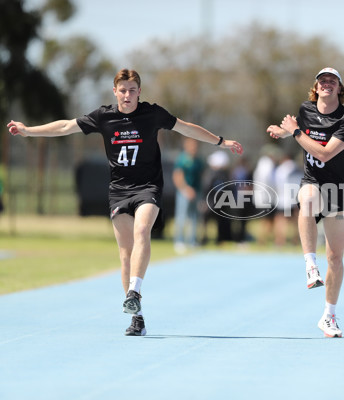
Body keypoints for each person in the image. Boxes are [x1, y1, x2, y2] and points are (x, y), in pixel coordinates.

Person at [7, 68, 243, 336]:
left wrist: (220, 141)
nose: (127, 95)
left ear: (139, 92)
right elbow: (65, 126)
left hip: (148, 187)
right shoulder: (104, 116)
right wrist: (28, 131)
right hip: (119, 190)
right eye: (123, 90)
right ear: (114, 91)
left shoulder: (152, 114)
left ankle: (134, 291)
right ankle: (137, 318)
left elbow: (186, 128)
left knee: (142, 230)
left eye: (132, 90)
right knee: (125, 253)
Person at [267, 67, 344, 338]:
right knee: (306, 199)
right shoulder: (306, 109)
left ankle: (328, 316)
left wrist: (294, 133)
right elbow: (302, 127)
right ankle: (310, 265)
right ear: (316, 87)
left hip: (339, 190)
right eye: (323, 81)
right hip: (313, 182)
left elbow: (325, 152)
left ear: (339, 89)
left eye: (333, 81)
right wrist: (284, 131)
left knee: (336, 257)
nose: (327, 84)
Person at [172, 137, 205, 254]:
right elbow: (177, 176)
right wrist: (186, 189)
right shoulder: (182, 159)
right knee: (181, 217)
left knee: (195, 217)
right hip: (184, 192)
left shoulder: (199, 161)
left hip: (197, 192)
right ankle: (179, 241)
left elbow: (202, 177)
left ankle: (192, 241)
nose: (193, 148)